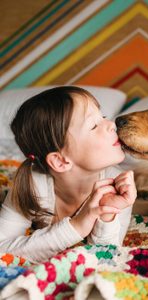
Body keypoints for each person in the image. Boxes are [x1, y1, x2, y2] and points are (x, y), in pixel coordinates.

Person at [0, 86, 137, 263]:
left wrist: (107, 214)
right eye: (94, 125)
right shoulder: (33, 183)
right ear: (60, 161)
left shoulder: (117, 184)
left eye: (103, 117)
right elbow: (3, 249)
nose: (111, 124)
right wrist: (77, 226)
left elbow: (106, 259)